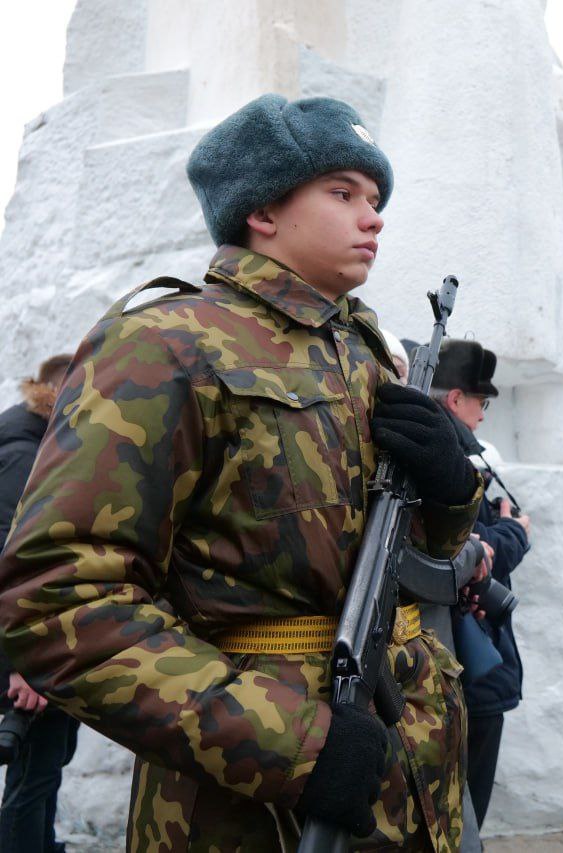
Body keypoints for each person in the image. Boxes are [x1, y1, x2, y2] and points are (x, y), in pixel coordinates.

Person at [0, 95, 484, 852]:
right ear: (262, 209)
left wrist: (452, 492)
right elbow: (59, 598)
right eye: (344, 192)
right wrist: (294, 744)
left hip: (410, 782)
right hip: (246, 806)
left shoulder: (363, 352)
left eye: (378, 199)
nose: (374, 217)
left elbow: (401, 554)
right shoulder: (164, 343)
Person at [430, 339, 531, 831]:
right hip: (469, 658)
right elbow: (471, 551)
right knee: (466, 808)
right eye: (480, 402)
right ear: (455, 400)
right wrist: (515, 532)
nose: (484, 415)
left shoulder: (457, 450)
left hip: (467, 653)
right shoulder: (449, 456)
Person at [0, 354, 78, 853]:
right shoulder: (24, 454)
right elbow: (12, 563)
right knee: (33, 774)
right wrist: (24, 663)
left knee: (44, 768)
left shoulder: (34, 441)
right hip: (30, 650)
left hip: (45, 641)